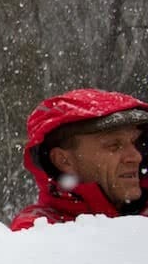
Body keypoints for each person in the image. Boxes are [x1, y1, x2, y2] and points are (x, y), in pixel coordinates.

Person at [10, 88, 148, 230]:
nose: (136, 157)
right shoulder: (40, 232)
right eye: (114, 145)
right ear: (63, 161)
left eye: (135, 142)